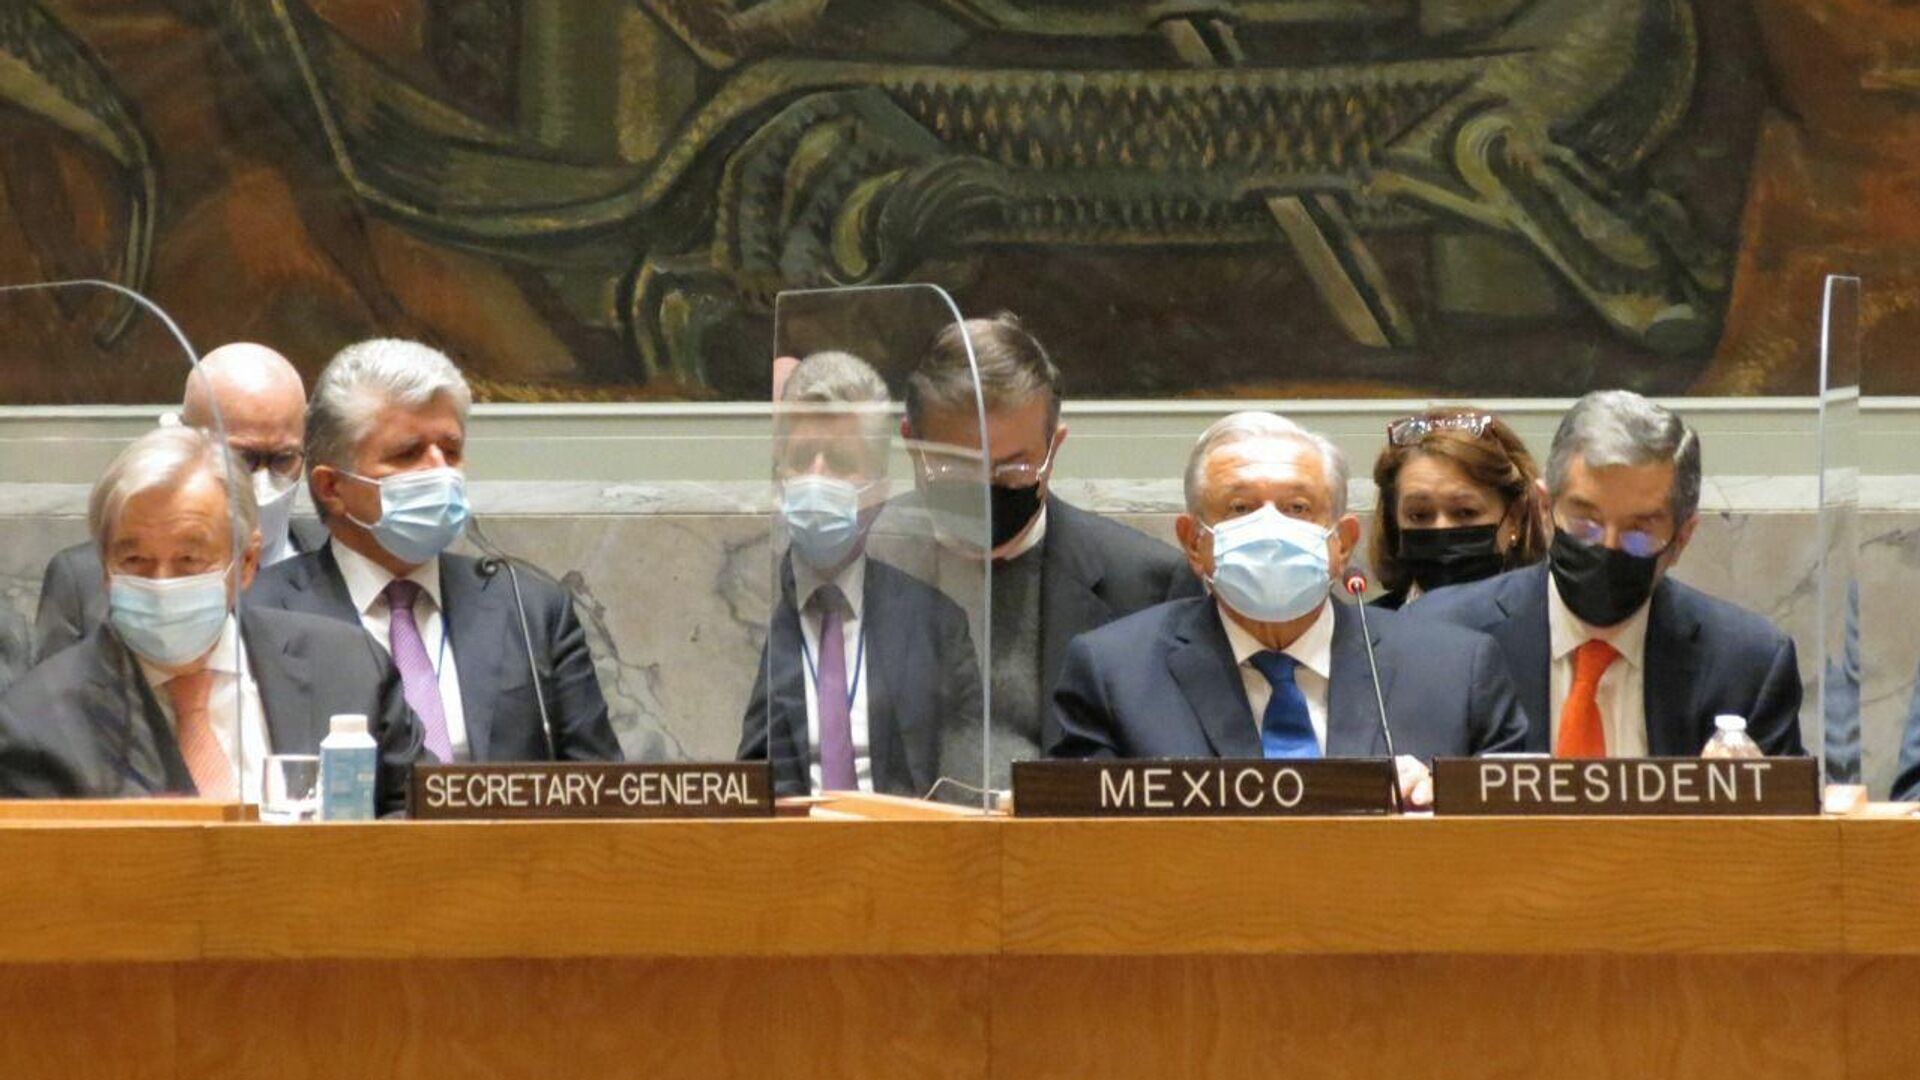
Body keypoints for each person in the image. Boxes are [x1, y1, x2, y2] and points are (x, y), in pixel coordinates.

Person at [1049, 411, 1529, 803]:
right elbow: (1079, 844)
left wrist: (1447, 804)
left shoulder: (1455, 669)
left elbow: (1516, 842)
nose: (1270, 530)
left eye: (1298, 508)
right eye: (1240, 508)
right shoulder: (1114, 673)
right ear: (1194, 543)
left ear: (1342, 542)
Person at [0, 427, 421, 811]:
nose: (161, 583)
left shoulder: (348, 668)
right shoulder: (35, 723)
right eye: (135, 560)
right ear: (106, 570)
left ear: (247, 562)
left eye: (189, 560)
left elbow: (421, 818)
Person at [246, 339, 621, 763]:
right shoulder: (258, 614)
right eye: (408, 454)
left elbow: (601, 785)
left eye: (451, 451)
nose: (439, 471)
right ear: (332, 487)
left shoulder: (529, 608)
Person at [1411, 390, 1805, 757]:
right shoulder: (1442, 639)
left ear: (1682, 538)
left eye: (1639, 531)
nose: (1608, 547)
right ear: (1545, 509)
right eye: (1586, 523)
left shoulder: (1746, 665)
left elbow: (1786, 810)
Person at [901, 314, 1196, 780]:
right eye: (958, 467)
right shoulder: (862, 557)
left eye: (1013, 469)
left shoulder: (1147, 584)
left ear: (1054, 448)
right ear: (911, 444)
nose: (985, 488)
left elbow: (1174, 776)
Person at [739, 351, 982, 797]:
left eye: (838, 460)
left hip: (908, 834)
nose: (816, 477)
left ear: (879, 491)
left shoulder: (937, 625)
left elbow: (969, 786)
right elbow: (743, 793)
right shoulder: (743, 612)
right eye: (801, 458)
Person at [33, 342, 327, 662]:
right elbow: (55, 689)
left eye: (283, 459)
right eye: (240, 458)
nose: (261, 482)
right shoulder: (82, 583)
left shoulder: (333, 570)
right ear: (181, 439)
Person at [1367, 408, 1549, 609]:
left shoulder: (1552, 621)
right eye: (1419, 515)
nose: (1441, 528)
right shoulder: (1368, 625)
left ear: (1515, 517)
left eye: (1465, 512)